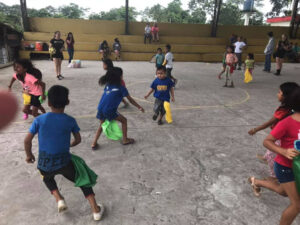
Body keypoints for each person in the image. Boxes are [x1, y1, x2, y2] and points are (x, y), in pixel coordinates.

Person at [24, 85, 104, 221]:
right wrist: (69, 145)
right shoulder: (70, 120)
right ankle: (95, 210)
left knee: (47, 177)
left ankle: (59, 198)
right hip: (64, 161)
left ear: (48, 103)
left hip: (44, 162)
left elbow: (27, 141)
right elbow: (78, 139)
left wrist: (29, 155)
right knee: (83, 177)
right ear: (67, 102)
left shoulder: (39, 120)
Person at [248, 86, 300, 225]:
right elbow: (267, 141)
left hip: (298, 168)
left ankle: (256, 182)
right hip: (285, 167)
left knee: (283, 191)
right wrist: (284, 151)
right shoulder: (287, 122)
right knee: (297, 205)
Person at [249, 82, 299, 179]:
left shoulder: (284, 111)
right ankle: (266, 158)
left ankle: (273, 176)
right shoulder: (291, 110)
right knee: (271, 151)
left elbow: (268, 123)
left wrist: (255, 129)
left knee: (272, 155)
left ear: (286, 96)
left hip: (280, 137)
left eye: (279, 92)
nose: (277, 94)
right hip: (279, 136)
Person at [91, 67, 144, 149]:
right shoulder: (121, 88)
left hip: (100, 108)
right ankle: (125, 140)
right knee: (124, 121)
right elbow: (130, 100)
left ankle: (94, 143)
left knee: (102, 125)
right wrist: (139, 107)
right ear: (119, 77)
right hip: (109, 110)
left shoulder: (108, 85)